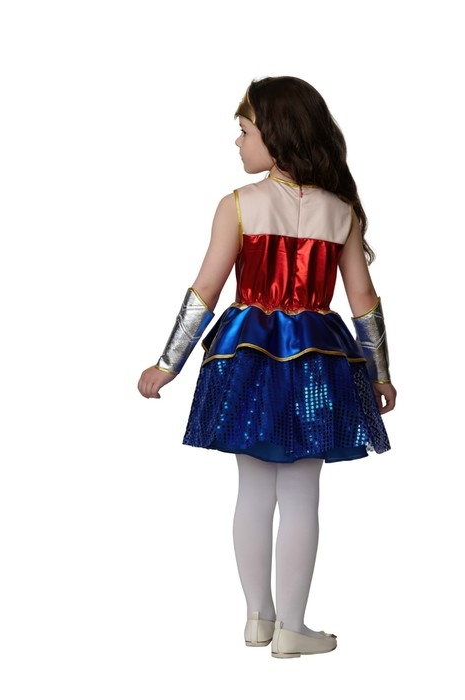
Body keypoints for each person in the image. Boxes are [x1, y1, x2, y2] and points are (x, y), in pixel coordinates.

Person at [137, 76, 397, 659]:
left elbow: (205, 292)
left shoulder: (239, 204)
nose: (238, 142)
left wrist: (167, 363)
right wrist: (379, 372)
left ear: (276, 136)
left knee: (253, 489)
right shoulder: (341, 212)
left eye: (245, 131)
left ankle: (260, 617)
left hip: (248, 358)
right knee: (301, 494)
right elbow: (363, 302)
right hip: (318, 363)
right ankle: (292, 627)